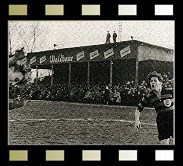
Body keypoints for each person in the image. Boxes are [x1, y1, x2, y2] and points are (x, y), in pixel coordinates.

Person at [134, 71, 174, 145]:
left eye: (155, 81)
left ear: (160, 83)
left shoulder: (169, 91)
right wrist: (137, 120)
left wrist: (172, 100)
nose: (153, 82)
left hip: (173, 117)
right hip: (161, 120)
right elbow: (138, 109)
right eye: (151, 81)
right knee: (164, 144)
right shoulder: (148, 96)